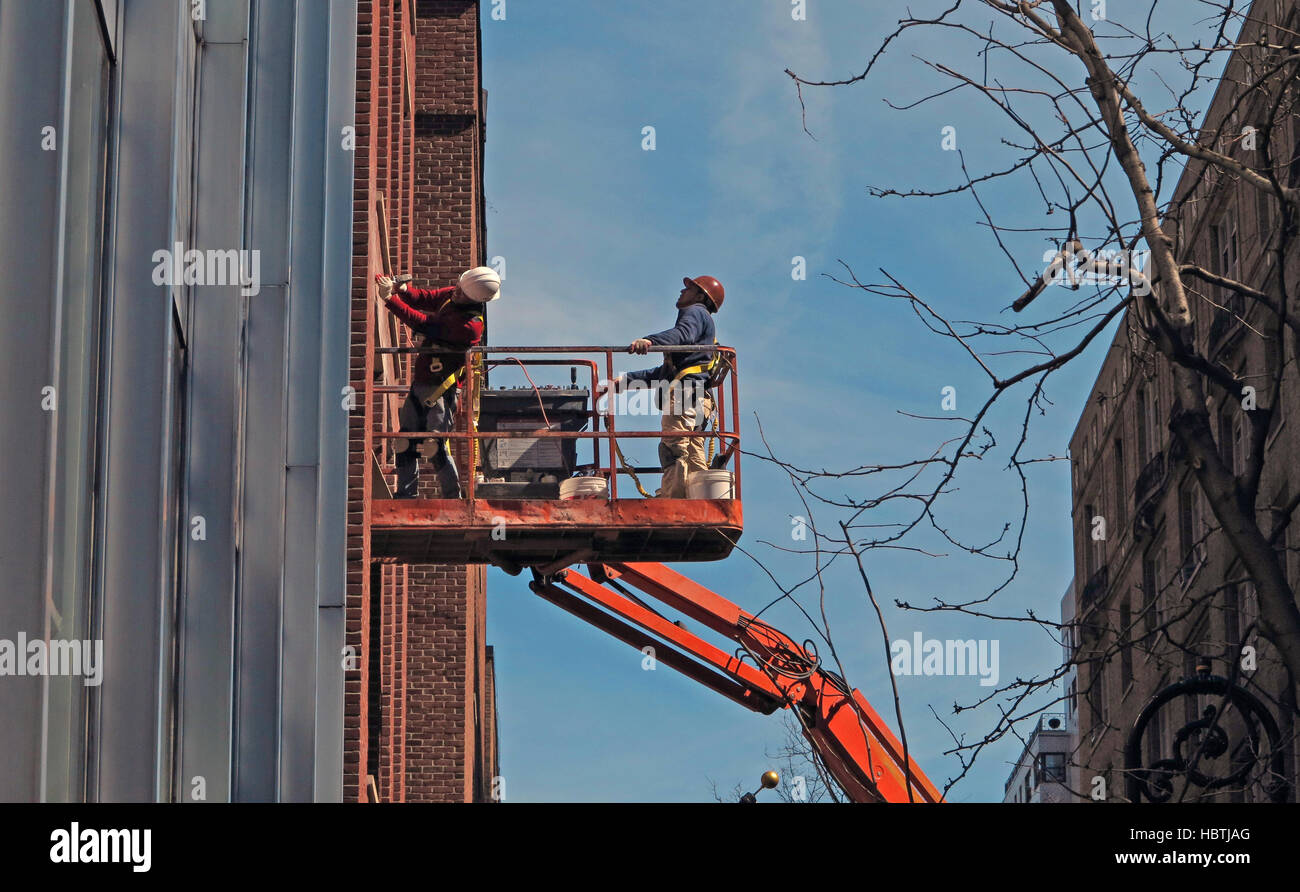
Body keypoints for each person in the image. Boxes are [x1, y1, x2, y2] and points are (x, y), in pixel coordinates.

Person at [376, 267, 500, 498]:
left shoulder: (470, 325)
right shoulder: (457, 292)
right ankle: (405, 495)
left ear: (475, 299)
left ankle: (453, 496)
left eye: (463, 294)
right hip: (422, 380)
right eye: (459, 288)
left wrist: (390, 300)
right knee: (404, 441)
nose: (456, 293)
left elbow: (425, 324)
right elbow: (427, 299)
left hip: (443, 387)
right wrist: (404, 290)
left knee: (435, 443)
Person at [609, 275, 726, 498]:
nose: (682, 291)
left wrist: (650, 341)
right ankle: (700, 497)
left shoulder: (695, 311)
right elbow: (664, 374)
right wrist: (625, 382)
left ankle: (673, 498)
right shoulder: (705, 326)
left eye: (689, 289)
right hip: (700, 398)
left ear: (701, 296)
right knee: (692, 451)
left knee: (673, 447)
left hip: (686, 395)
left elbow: (682, 335)